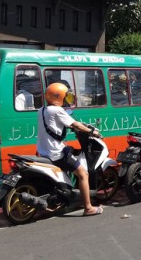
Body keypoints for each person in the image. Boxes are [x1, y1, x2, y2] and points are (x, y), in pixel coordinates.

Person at [37, 83, 102, 216]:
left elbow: (54, 126)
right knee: (83, 174)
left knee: (70, 149)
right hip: (56, 154)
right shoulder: (57, 110)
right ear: (58, 96)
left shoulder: (42, 110)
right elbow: (75, 124)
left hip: (43, 152)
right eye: (65, 96)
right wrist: (92, 131)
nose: (68, 98)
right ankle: (88, 208)